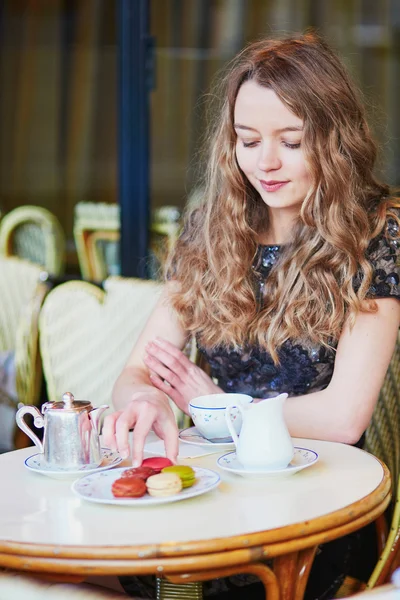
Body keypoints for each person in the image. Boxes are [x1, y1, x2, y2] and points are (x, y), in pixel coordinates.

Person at [103, 31, 400, 600]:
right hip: (213, 487)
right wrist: (143, 401)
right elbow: (138, 371)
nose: (265, 163)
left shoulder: (375, 236)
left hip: (319, 504)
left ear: (333, 140)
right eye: (247, 140)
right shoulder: (210, 229)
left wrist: (217, 411)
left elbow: (343, 418)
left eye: (291, 141)